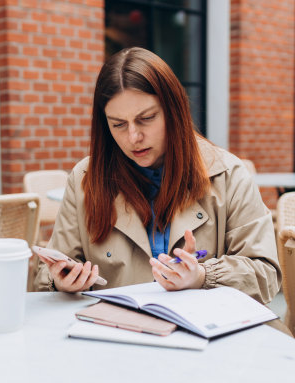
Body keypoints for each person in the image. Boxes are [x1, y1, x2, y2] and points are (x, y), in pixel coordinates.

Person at [34, 47, 281, 304]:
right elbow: (45, 275)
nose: (133, 137)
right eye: (118, 124)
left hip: (205, 336)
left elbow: (265, 274)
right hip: (117, 334)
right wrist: (60, 281)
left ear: (174, 112)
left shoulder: (228, 174)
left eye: (146, 118)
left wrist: (202, 276)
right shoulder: (85, 179)